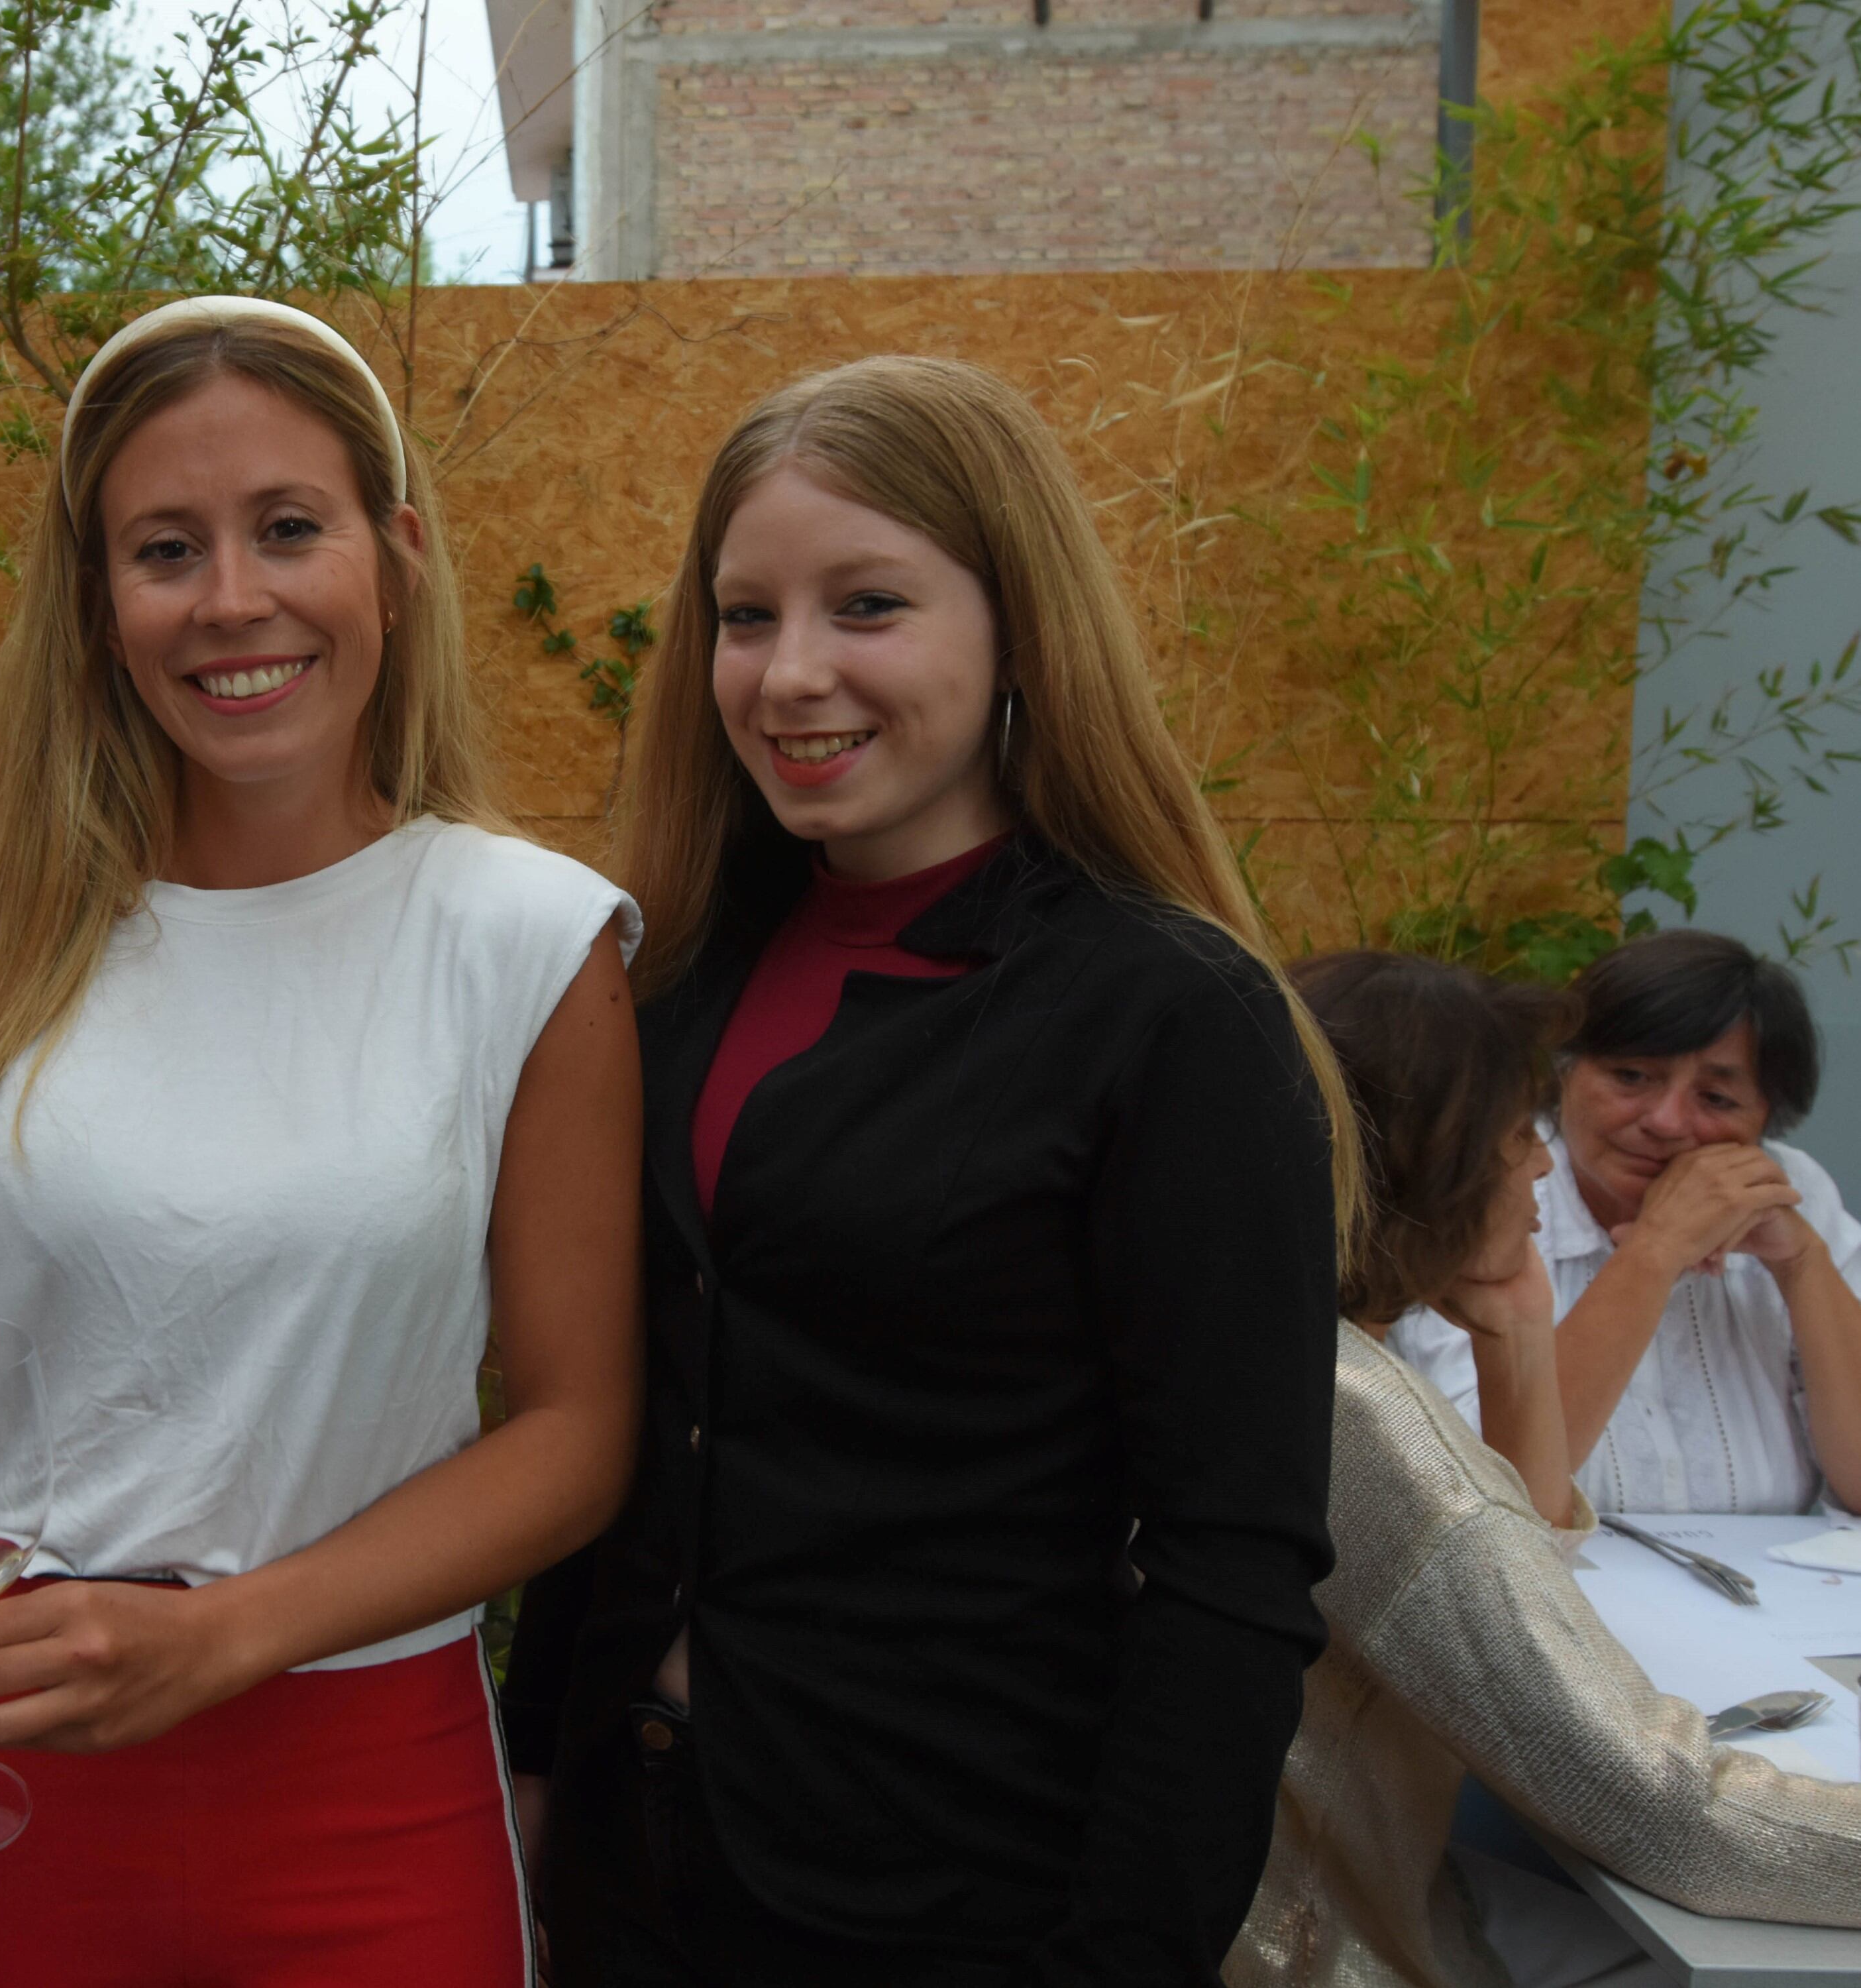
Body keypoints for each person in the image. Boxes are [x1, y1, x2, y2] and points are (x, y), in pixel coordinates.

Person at [0, 296, 643, 1985]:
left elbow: (573, 1430)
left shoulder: (527, 947)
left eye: (286, 528)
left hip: (368, 1789)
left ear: (390, 556)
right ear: (97, 606)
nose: (230, 599)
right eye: (164, 548)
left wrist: (222, 1636)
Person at [502, 354, 1357, 1985]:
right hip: (631, 1866)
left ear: (1014, 625)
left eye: (867, 605)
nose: (787, 673)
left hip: (958, 1899)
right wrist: (536, 1766)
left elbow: (1228, 1567)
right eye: (742, 617)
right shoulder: (660, 979)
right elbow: (607, 1429)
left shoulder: (1163, 1020)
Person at [1235, 948, 1861, 1988]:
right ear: (1432, 1166)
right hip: (1342, 1945)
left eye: (1716, 1095)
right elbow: (1663, 1815)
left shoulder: (1293, 1346)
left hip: (1369, 1892)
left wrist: (1521, 1327)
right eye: (1517, 1131)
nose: (1540, 1167)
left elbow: (1509, 1538)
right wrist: (1643, 1260)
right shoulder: (1368, 1422)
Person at [1389, 928, 1861, 1514]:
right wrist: (1656, 1251)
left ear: (1767, 1118)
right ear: (1564, 1075)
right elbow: (1484, 1496)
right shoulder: (1491, 1191)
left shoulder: (1792, 1191)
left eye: (1716, 1099)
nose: (1665, 1121)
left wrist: (1803, 1263)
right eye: (1631, 1077)